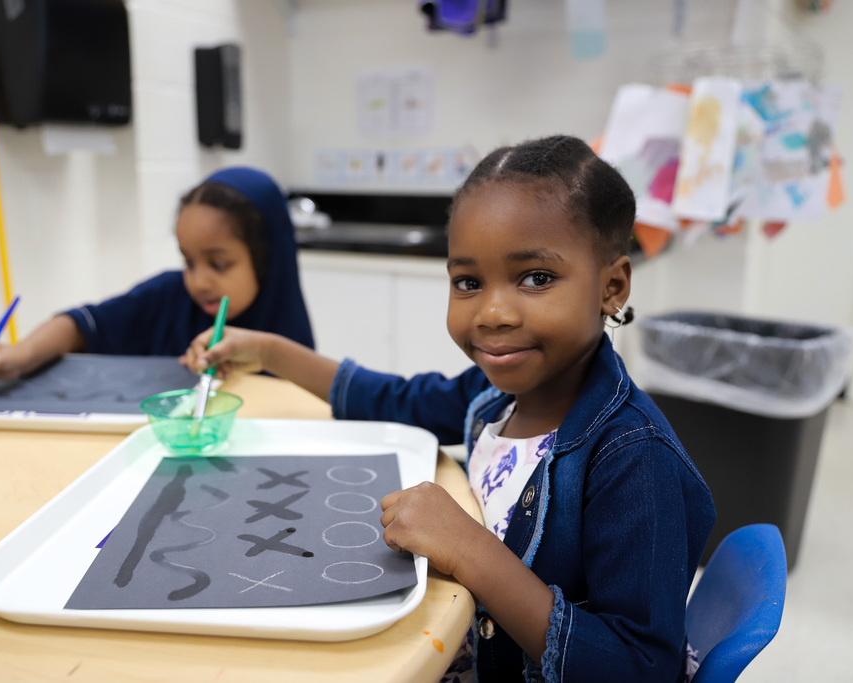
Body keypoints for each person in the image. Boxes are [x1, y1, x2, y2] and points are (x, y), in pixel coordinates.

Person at [184, 136, 715, 683]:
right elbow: (393, 398)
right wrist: (271, 351)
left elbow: (639, 669)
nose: (492, 312)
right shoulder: (499, 395)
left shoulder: (632, 459)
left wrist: (468, 548)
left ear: (612, 287)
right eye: (468, 282)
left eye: (536, 278)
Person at [0, 167, 314, 394]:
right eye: (188, 261)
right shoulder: (167, 296)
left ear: (269, 259)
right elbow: (82, 324)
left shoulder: (289, 346)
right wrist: (20, 355)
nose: (199, 281)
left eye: (219, 264)